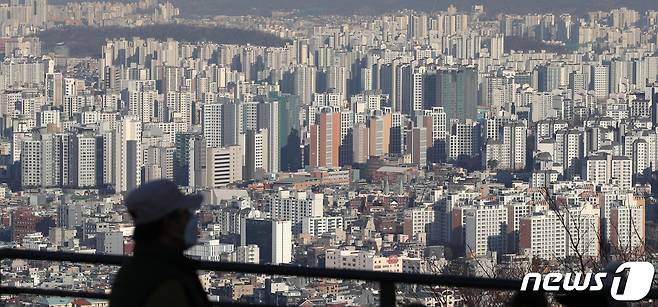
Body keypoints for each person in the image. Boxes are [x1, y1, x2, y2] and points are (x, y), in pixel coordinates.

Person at [109, 180, 211, 307]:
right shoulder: (169, 280)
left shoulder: (132, 269)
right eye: (184, 213)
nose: (191, 219)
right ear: (168, 223)